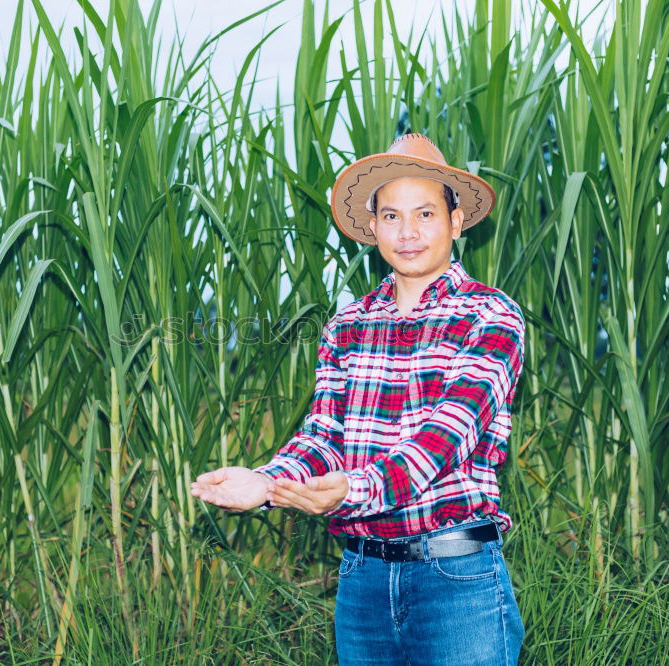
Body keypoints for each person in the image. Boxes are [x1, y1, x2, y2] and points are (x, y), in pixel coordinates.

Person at [190, 133, 526, 665]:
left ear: (455, 221)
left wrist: (352, 491)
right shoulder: (347, 326)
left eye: (425, 214)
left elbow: (445, 439)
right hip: (362, 580)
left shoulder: (490, 316)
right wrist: (268, 481)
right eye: (391, 216)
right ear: (372, 227)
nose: (408, 233)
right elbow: (324, 436)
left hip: (456, 578)